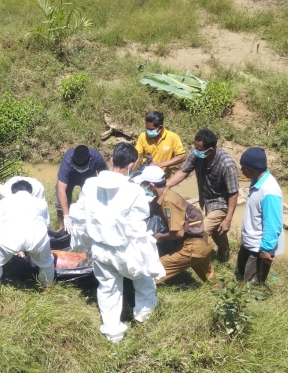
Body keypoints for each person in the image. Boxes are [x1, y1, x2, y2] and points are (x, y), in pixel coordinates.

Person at [69, 143, 165, 343]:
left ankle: (113, 332)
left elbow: (79, 215)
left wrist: (84, 244)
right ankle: (144, 318)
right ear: (133, 163)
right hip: (124, 249)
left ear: (111, 160)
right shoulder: (134, 191)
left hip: (99, 248)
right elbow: (138, 226)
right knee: (144, 278)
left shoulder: (90, 185)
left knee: (108, 288)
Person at [167, 129, 239, 263]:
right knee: (219, 231)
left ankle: (201, 260)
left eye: (199, 149)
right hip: (206, 200)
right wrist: (165, 186)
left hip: (221, 203)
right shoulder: (197, 155)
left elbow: (233, 193)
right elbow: (183, 171)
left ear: (211, 149)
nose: (196, 151)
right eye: (195, 147)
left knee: (201, 230)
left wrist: (228, 218)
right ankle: (225, 257)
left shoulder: (227, 165)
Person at [139, 166, 217, 284]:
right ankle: (224, 294)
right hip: (204, 242)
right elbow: (148, 212)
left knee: (152, 271)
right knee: (211, 280)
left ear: (151, 185)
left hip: (192, 248)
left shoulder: (168, 201)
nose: (144, 187)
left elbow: (178, 233)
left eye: (144, 184)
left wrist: (160, 236)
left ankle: (135, 296)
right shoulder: (164, 196)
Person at [0, 180, 55, 292]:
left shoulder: (2, 203)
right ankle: (46, 287)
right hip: (37, 240)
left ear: (12, 192)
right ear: (31, 193)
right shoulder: (41, 203)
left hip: (9, 241)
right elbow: (46, 224)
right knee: (46, 264)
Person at [238, 147, 284, 283]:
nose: (241, 170)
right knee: (241, 272)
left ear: (252, 169)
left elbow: (273, 223)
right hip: (250, 241)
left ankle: (253, 301)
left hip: (259, 246)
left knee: (252, 284)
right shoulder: (256, 181)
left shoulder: (269, 191)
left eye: (243, 167)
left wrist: (266, 249)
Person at [56, 145, 108, 232]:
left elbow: (106, 178)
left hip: (88, 177)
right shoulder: (68, 160)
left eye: (83, 168)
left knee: (91, 201)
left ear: (90, 160)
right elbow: (61, 190)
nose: (80, 169)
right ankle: (62, 228)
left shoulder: (96, 158)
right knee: (60, 203)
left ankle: (89, 226)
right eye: (78, 167)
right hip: (70, 178)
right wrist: (66, 216)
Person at [135, 111, 186, 179]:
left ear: (160, 127)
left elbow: (181, 157)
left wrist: (161, 164)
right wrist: (130, 170)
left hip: (163, 178)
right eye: (147, 128)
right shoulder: (143, 136)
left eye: (151, 129)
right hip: (145, 176)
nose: (148, 131)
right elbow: (137, 156)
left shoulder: (173, 137)